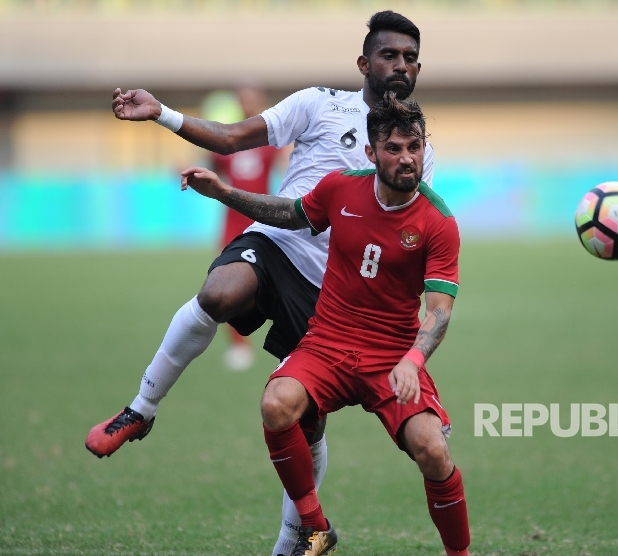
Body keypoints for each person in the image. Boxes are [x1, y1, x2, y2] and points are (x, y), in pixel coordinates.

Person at [84, 11, 434, 556]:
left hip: (330, 294)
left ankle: (295, 537)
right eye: (390, 55)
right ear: (365, 63)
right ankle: (140, 410)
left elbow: (403, 239)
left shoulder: (415, 150)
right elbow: (230, 138)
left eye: (411, 58)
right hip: (276, 241)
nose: (401, 65)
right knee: (219, 293)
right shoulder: (319, 103)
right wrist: (164, 115)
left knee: (304, 423)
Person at [182, 92, 469, 556]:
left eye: (414, 147)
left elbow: (438, 311)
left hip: (392, 354)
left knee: (433, 452)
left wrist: (414, 361)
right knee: (276, 405)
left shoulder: (439, 222)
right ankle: (315, 528)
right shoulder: (341, 188)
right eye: (393, 149)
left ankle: (461, 554)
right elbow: (290, 215)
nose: (406, 158)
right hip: (329, 341)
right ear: (371, 153)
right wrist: (224, 194)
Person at [208, 86, 282, 371]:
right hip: (232, 223)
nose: (247, 104)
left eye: (252, 99)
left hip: (264, 222)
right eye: (243, 100)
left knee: (277, 285)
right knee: (225, 284)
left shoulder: (271, 141)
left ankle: (287, 344)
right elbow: (211, 168)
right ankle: (239, 347)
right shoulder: (226, 142)